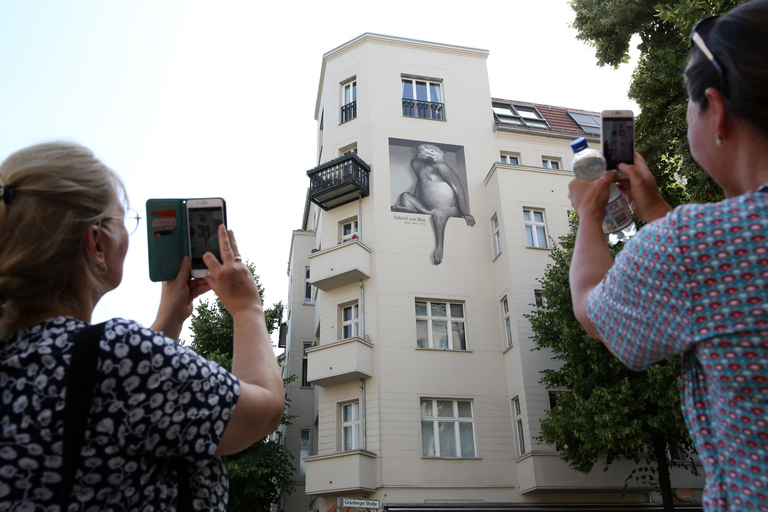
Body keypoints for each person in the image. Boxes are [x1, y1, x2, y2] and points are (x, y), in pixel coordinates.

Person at [0, 142, 285, 510]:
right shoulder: (122, 353)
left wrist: (169, 318)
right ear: (96, 243)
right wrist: (248, 308)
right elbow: (264, 410)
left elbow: (99, 397)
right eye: (125, 221)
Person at [567, 1, 768, 509]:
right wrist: (656, 208)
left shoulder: (695, 243)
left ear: (717, 110)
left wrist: (590, 218)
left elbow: (594, 310)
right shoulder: (700, 244)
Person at [391, 143, 475, 264]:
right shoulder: (417, 165)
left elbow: (459, 190)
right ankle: (410, 208)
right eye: (424, 150)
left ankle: (439, 247)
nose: (428, 152)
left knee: (439, 214)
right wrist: (417, 199)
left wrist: (465, 212)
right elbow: (421, 183)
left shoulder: (442, 167)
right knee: (405, 196)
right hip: (426, 207)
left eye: (432, 150)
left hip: (448, 208)